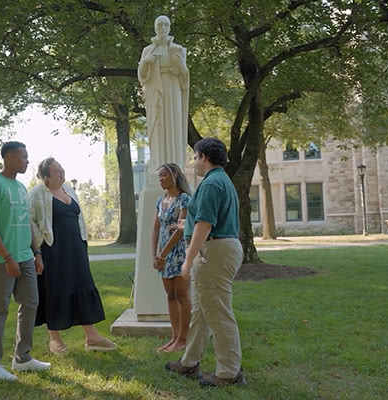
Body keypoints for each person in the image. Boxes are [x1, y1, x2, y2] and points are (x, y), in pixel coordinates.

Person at [165, 138, 246, 387]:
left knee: (218, 313)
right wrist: (184, 225)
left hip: (214, 251)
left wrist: (188, 261)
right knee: (202, 311)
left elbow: (205, 224)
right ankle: (189, 362)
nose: (194, 162)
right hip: (221, 246)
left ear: (203, 156)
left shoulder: (211, 183)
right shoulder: (222, 180)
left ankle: (229, 373)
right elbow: (202, 221)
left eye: (195, 157)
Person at [29, 158, 116, 355]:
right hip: (53, 250)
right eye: (56, 171)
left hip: (76, 248)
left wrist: (83, 241)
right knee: (55, 289)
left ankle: (92, 337)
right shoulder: (37, 193)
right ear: (46, 177)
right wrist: (38, 249)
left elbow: (78, 217)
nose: (61, 172)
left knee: (82, 285)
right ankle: (55, 339)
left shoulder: (69, 189)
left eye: (61, 168)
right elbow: (29, 221)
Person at [0, 141, 50, 381]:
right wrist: (7, 258)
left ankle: (23, 358)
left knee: (31, 304)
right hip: (1, 260)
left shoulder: (21, 187)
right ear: (9, 157)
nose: (27, 161)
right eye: (23, 157)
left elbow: (27, 222)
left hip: (25, 257)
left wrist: (36, 253)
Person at [138, 15, 189, 176]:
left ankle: (174, 167)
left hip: (173, 91)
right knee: (158, 126)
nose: (163, 28)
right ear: (155, 27)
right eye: (160, 25)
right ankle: (159, 166)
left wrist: (182, 67)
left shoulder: (179, 50)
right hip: (155, 93)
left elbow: (185, 77)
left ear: (170, 27)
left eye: (166, 25)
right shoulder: (147, 50)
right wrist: (146, 62)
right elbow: (142, 77)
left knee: (173, 125)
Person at [151, 163, 191, 353]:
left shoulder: (184, 199)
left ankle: (184, 339)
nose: (161, 179)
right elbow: (155, 229)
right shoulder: (160, 201)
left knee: (182, 295)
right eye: (159, 176)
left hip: (179, 253)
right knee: (171, 296)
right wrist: (154, 256)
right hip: (163, 256)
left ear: (175, 175)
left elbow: (180, 231)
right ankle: (174, 338)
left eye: (164, 175)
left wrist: (164, 254)